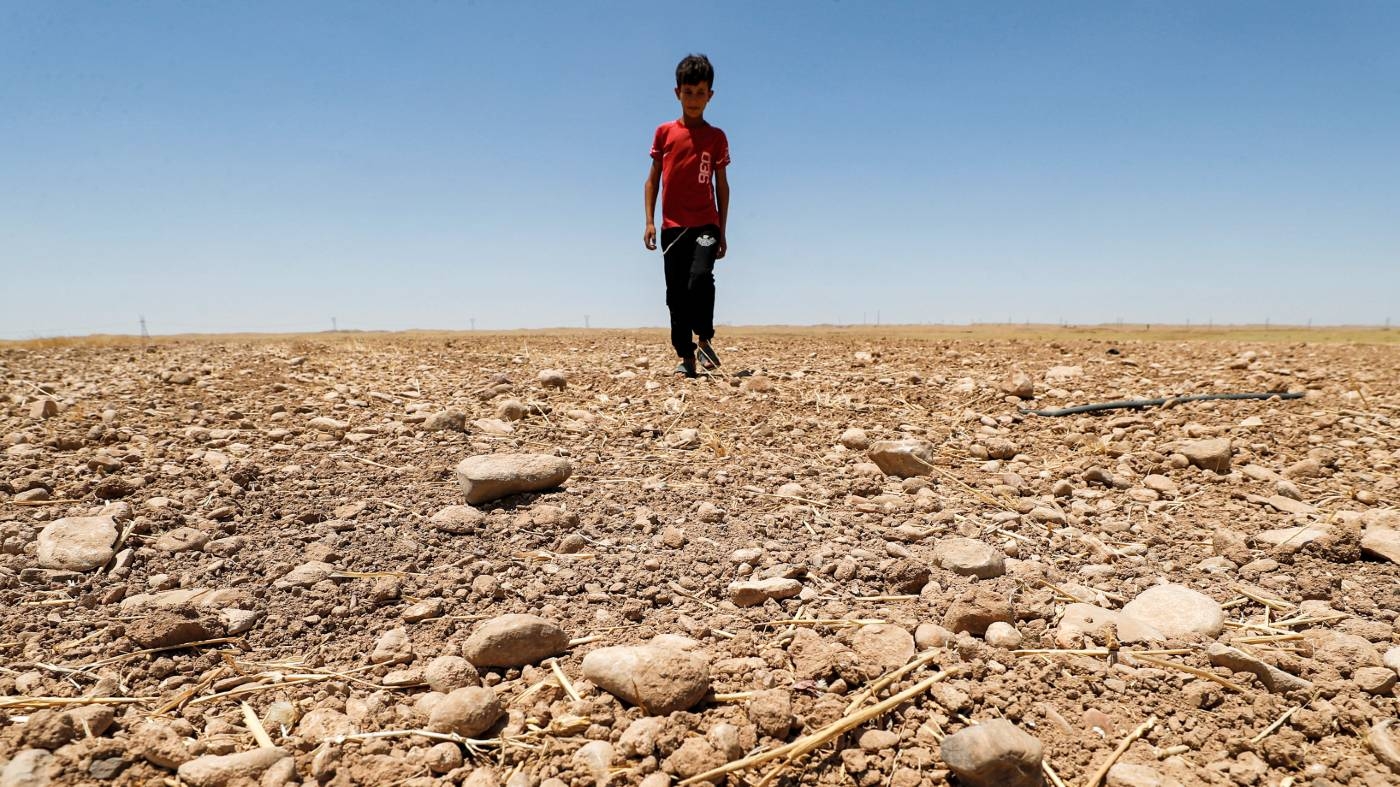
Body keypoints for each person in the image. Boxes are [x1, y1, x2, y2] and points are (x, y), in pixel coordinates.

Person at [644, 53, 731, 378]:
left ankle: (705, 338)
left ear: (710, 96)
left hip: (706, 223)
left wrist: (722, 229)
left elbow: (722, 186)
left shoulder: (716, 137)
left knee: (700, 278)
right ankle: (686, 356)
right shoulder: (664, 133)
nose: (694, 99)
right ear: (677, 92)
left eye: (701, 93)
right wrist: (650, 221)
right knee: (675, 294)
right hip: (672, 228)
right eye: (688, 92)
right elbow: (652, 180)